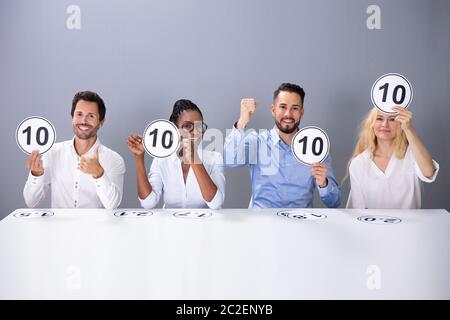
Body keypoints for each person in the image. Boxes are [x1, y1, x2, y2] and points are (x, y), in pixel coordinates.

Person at [223, 83, 340, 208]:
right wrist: (242, 121)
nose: (288, 114)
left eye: (294, 108)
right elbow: (231, 160)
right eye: (283, 107)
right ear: (273, 110)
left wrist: (324, 184)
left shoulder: (315, 149)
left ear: (302, 112)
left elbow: (334, 202)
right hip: (262, 222)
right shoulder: (257, 141)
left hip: (301, 223)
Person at [23, 91, 125, 209]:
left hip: (95, 227)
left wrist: (99, 174)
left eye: (91, 116)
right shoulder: (52, 153)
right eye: (79, 114)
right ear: (72, 118)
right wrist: (36, 174)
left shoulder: (114, 159)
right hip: (58, 226)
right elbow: (30, 202)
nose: (83, 121)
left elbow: (112, 205)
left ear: (101, 122)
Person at [128, 99, 225, 209]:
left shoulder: (214, 158)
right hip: (171, 224)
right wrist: (139, 157)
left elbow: (216, 204)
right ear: (173, 129)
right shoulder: (161, 160)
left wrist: (194, 159)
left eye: (199, 126)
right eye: (188, 126)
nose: (195, 132)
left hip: (204, 223)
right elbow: (148, 203)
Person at [346, 106, 439, 209]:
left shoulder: (412, 154)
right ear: (371, 124)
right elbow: (359, 209)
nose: (385, 124)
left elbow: (429, 172)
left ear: (401, 124)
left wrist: (409, 129)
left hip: (409, 224)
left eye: (392, 119)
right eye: (379, 118)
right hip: (374, 224)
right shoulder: (359, 163)